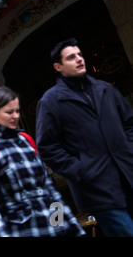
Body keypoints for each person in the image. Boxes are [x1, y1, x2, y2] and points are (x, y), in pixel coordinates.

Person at [36, 38, 133, 236]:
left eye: (80, 55)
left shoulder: (105, 89)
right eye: (71, 57)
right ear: (58, 66)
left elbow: (129, 123)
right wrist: (82, 170)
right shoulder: (51, 102)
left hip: (129, 176)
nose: (79, 59)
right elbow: (47, 147)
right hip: (98, 190)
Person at [0, 86, 84, 237]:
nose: (15, 116)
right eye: (9, 112)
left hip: (53, 229)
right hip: (22, 231)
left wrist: (67, 224)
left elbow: (48, 188)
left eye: (17, 111)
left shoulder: (25, 140)